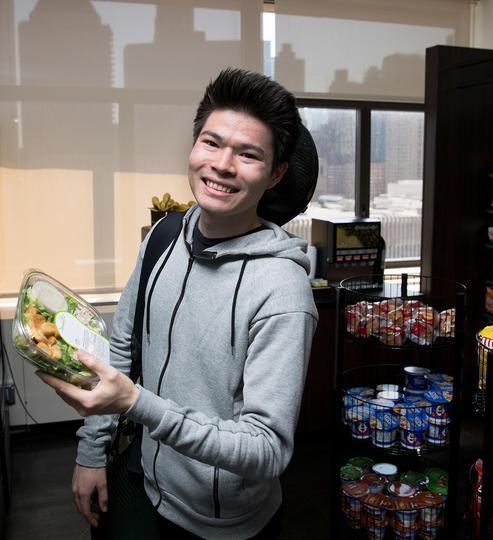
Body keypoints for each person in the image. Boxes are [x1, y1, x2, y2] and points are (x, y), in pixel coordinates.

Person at [36, 68, 319, 539]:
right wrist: (91, 452)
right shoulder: (164, 235)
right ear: (194, 146)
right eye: (211, 143)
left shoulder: (282, 290)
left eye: (248, 154)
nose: (222, 165)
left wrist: (136, 403)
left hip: (223, 521)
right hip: (145, 484)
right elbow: (122, 348)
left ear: (276, 174)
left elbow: (267, 449)